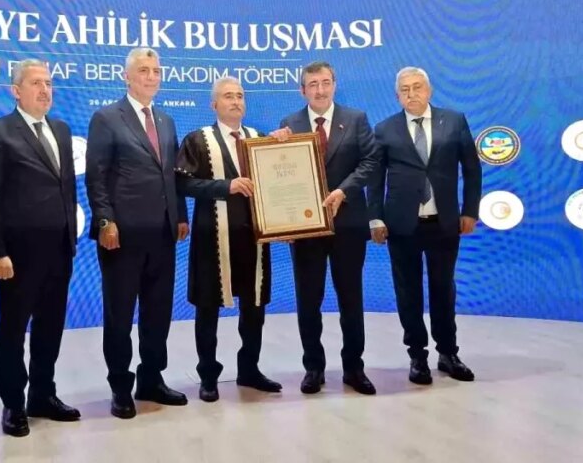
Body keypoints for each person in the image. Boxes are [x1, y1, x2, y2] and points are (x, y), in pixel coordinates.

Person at [85, 47, 190, 419]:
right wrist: (105, 221)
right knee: (120, 314)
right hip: (122, 235)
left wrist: (179, 215)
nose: (151, 77)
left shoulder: (165, 121)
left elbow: (171, 176)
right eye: (143, 70)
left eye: (156, 71)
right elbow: (96, 177)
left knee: (157, 312)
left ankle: (151, 379)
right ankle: (120, 387)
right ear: (126, 76)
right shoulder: (106, 118)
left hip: (162, 233)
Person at [0, 59, 80, 438]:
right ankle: (12, 403)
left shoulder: (61, 130)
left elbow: (67, 188)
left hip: (59, 250)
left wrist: (70, 237)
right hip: (17, 255)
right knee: (13, 330)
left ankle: (42, 394)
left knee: (50, 327)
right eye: (36, 83)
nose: (44, 90)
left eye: (48, 83)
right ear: (16, 91)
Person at [367, 66, 481, 385]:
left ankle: (448, 353)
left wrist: (470, 211)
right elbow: (374, 180)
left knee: (443, 289)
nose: (412, 94)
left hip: (444, 222)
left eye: (417, 87)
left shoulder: (454, 121)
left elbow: (472, 169)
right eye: (405, 89)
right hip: (401, 225)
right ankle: (417, 356)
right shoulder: (384, 129)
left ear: (429, 90)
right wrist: (375, 218)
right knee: (408, 293)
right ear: (397, 96)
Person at [175, 77, 282, 402]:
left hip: (254, 239)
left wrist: (283, 147)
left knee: (255, 307)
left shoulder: (258, 138)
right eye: (227, 96)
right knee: (208, 308)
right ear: (214, 105)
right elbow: (182, 184)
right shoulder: (197, 140)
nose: (235, 101)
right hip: (213, 237)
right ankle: (208, 375)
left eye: (239, 96)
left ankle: (249, 369)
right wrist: (226, 186)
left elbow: (278, 181)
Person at [278, 61, 379, 396]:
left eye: (325, 83)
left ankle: (354, 368)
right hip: (306, 227)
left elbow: (371, 161)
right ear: (302, 90)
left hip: (348, 223)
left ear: (334, 84)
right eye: (313, 84)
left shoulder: (356, 119)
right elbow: (278, 172)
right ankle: (313, 368)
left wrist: (343, 191)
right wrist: (276, 146)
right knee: (309, 300)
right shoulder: (289, 124)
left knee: (351, 298)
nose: (320, 90)